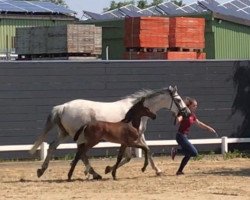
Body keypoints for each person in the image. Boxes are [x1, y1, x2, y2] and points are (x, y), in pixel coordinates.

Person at [171, 97, 216, 175]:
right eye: (194, 105)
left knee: (188, 154)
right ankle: (176, 151)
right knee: (194, 153)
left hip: (184, 136)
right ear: (189, 106)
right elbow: (178, 120)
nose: (196, 107)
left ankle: (179, 171)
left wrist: (209, 128)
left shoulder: (192, 115)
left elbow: (199, 123)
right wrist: (176, 116)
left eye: (196, 106)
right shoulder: (184, 114)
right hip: (180, 136)